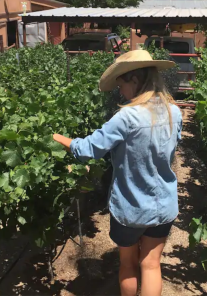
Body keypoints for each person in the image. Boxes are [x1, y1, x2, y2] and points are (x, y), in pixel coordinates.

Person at [53, 50, 182, 296]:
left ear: (134, 80)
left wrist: (60, 138)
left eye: (121, 84)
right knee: (152, 264)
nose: (120, 91)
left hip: (131, 208)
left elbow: (89, 149)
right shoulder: (173, 112)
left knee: (128, 265)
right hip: (165, 205)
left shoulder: (126, 117)